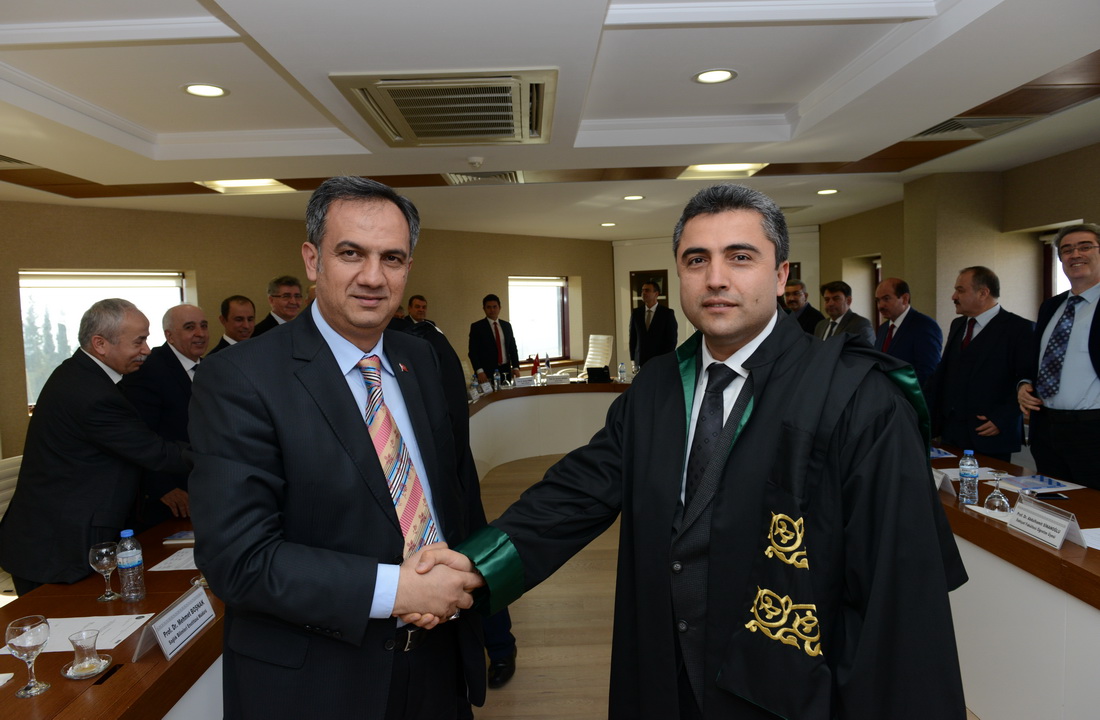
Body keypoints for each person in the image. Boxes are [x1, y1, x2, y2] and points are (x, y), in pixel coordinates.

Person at [423, 184, 967, 719]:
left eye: (741, 257)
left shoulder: (860, 400)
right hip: (665, 670)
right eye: (696, 259)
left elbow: (900, 599)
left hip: (786, 685)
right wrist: (477, 565)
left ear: (781, 275)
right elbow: (579, 491)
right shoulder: (658, 386)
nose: (716, 278)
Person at [188, 177, 485, 719]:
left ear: (407, 268)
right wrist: (399, 591)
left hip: (439, 665)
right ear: (312, 260)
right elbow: (239, 560)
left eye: (391, 258)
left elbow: (450, 495)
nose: (373, 277)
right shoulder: (239, 378)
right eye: (351, 253)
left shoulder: (419, 359)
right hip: (320, 684)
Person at [0, 299, 191, 596]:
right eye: (138, 341)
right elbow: (154, 452)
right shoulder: (91, 393)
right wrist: (231, 452)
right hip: (57, 548)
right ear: (100, 344)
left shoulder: (84, 374)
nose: (147, 350)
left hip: (64, 536)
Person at [1018, 223, 1100, 486]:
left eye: (1085, 247)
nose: (1075, 254)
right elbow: (1037, 360)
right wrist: (1024, 384)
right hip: (1047, 429)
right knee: (1053, 504)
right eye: (1067, 250)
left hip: (1093, 430)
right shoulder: (1051, 306)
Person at [926, 267, 1033, 462]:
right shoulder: (958, 325)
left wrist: (1002, 419)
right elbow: (945, 372)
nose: (953, 296)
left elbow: (1027, 379)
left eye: (960, 290)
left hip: (989, 433)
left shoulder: (1019, 329)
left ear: (983, 293)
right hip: (951, 432)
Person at [119, 303, 208, 529]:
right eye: (190, 327)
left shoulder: (211, 368)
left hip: (206, 486)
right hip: (170, 494)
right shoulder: (148, 370)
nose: (200, 334)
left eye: (204, 326)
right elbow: (138, 438)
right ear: (169, 336)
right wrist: (162, 488)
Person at [874, 277, 943, 387]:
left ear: (905, 299)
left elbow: (928, 373)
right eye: (878, 300)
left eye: (886, 299)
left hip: (910, 396)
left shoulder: (925, 326)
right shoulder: (883, 329)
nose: (880, 306)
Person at [468, 294, 521, 383]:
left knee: (507, 392)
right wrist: (479, 371)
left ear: (499, 308)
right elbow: (473, 352)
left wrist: (516, 367)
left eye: (494, 307)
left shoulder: (507, 326)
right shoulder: (477, 327)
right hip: (486, 372)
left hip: (505, 371)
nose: (492, 310)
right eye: (488, 307)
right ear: (484, 309)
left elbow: (512, 348)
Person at [629, 280, 679, 366]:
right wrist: (633, 359)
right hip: (640, 361)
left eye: (647, 290)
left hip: (660, 361)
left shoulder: (667, 313)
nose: (644, 293)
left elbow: (672, 340)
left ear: (656, 294)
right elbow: (633, 338)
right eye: (642, 290)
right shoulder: (636, 313)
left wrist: (666, 359)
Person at [813, 280, 875, 345]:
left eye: (836, 299)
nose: (830, 304)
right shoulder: (821, 325)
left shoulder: (861, 325)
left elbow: (865, 351)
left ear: (848, 301)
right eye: (827, 300)